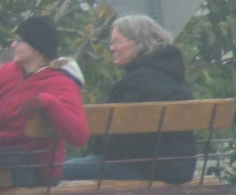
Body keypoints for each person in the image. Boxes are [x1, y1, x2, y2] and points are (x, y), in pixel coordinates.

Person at [62, 15, 196, 183]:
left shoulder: (137, 83)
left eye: (117, 42)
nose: (112, 48)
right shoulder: (174, 78)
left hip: (143, 170)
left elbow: (111, 144)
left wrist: (95, 140)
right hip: (178, 169)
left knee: (55, 173)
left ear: (139, 42)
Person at [0, 15, 88, 186]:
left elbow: (79, 136)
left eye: (20, 40)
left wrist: (49, 102)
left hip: (34, 167)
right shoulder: (6, 72)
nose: (13, 45)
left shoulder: (61, 82)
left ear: (38, 47)